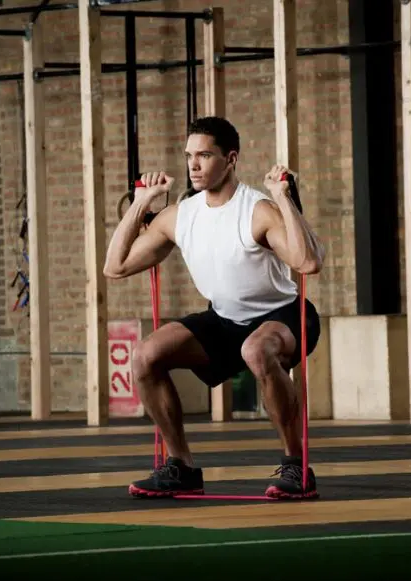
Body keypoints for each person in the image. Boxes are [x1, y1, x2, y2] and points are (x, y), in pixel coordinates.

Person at [104, 116, 325, 500]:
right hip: (224, 320)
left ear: (231, 158)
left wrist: (284, 199)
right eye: (190, 156)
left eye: (205, 155)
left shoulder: (256, 209)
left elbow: (307, 263)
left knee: (256, 348)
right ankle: (182, 467)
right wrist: (140, 203)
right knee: (145, 356)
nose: (193, 165)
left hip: (283, 314)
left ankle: (295, 466)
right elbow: (115, 266)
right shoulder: (182, 216)